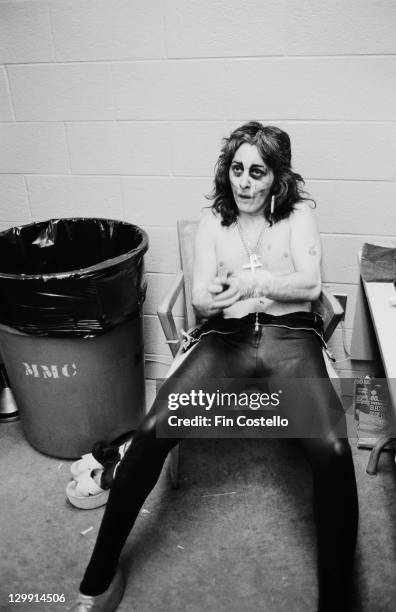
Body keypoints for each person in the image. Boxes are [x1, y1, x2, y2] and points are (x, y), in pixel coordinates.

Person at [71, 122, 359, 612]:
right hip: (224, 338)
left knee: (332, 448)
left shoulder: (299, 216)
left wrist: (253, 286)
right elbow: (202, 295)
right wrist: (212, 296)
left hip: (291, 339)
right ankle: (99, 578)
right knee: (150, 431)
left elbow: (310, 285)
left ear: (277, 178)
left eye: (257, 172)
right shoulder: (213, 222)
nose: (244, 182)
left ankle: (337, 600)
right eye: (236, 169)